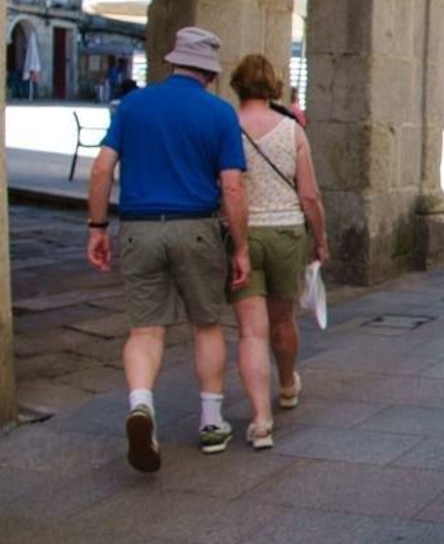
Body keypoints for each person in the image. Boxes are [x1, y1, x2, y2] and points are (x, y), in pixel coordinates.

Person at [85, 26, 251, 473]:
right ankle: (212, 422)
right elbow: (232, 188)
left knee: (145, 330)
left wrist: (98, 227)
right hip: (196, 228)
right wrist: (240, 247)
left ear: (172, 62)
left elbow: (101, 169)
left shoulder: (134, 105)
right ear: (211, 74)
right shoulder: (219, 114)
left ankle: (141, 405)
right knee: (206, 324)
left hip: (140, 227)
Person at [228, 54, 330, 450]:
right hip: (287, 233)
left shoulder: (228, 128)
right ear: (272, 85)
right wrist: (319, 239)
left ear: (237, 84)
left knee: (250, 332)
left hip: (244, 234)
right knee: (282, 321)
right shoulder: (292, 130)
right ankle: (287, 384)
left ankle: (260, 421)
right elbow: (309, 194)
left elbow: (225, 185)